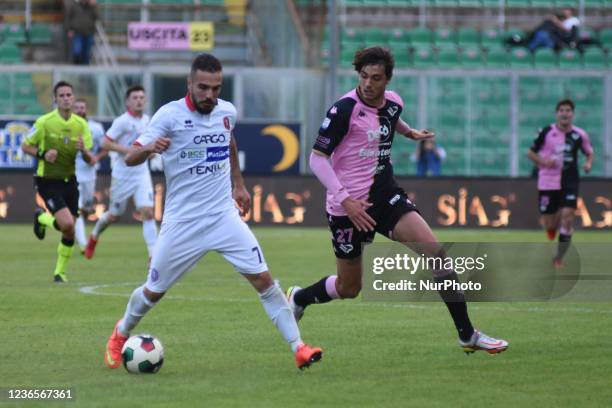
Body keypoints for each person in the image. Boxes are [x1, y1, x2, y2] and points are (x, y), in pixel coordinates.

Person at [103, 53, 322, 370]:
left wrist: (239, 183)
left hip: (223, 216)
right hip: (183, 222)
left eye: (216, 88)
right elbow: (131, 156)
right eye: (203, 87)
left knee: (264, 280)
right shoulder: (168, 115)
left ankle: (298, 347)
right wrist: (151, 147)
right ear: (189, 84)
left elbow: (228, 140)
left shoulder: (226, 112)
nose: (210, 95)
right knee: (153, 293)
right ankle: (121, 332)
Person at [286, 47, 508, 355]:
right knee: (349, 289)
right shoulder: (343, 110)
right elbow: (317, 159)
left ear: (387, 79)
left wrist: (409, 132)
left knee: (436, 254)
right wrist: (346, 199)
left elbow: (391, 118)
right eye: (363, 76)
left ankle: (467, 334)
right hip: (347, 207)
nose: (368, 84)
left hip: (383, 194)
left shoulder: (394, 102)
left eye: (376, 78)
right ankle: (299, 298)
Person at [20, 81, 93, 282]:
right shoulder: (44, 122)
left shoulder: (81, 124)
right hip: (47, 180)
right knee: (68, 223)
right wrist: (43, 154)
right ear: (55, 99)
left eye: (69, 94)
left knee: (69, 229)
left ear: (74, 97)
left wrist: (84, 150)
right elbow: (25, 146)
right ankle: (42, 218)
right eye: (61, 95)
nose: (66, 98)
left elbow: (90, 159)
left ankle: (59, 272)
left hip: (70, 181)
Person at [84, 86, 157, 260]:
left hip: (141, 173)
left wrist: (150, 151)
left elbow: (151, 145)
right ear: (127, 102)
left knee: (147, 211)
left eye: (141, 97)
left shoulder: (149, 120)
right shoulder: (122, 121)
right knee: (114, 215)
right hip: (122, 174)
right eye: (135, 97)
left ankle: (153, 256)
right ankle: (94, 236)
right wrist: (128, 150)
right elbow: (105, 143)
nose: (139, 100)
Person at [527, 99, 593, 268]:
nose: (565, 113)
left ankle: (558, 257)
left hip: (570, 180)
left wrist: (588, 163)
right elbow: (530, 153)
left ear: (572, 114)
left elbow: (589, 152)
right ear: (557, 113)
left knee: (568, 216)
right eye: (562, 110)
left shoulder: (580, 134)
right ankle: (552, 228)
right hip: (548, 181)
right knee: (549, 223)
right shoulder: (546, 132)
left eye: (568, 110)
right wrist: (543, 161)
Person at [73, 98, 107, 253]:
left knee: (86, 207)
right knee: (77, 207)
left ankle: (76, 229)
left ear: (86, 109)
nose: (80, 110)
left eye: (82, 107)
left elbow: (105, 148)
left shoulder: (96, 128)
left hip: (89, 173)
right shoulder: (68, 127)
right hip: (72, 172)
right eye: (77, 107)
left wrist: (97, 158)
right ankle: (82, 243)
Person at [66, 0, 99, 65]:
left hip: (89, 33)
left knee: (86, 54)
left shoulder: (92, 6)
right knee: (76, 52)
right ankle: (76, 69)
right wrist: (69, 29)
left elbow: (97, 17)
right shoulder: (74, 5)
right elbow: (69, 17)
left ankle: (85, 72)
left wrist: (94, 6)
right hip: (77, 33)